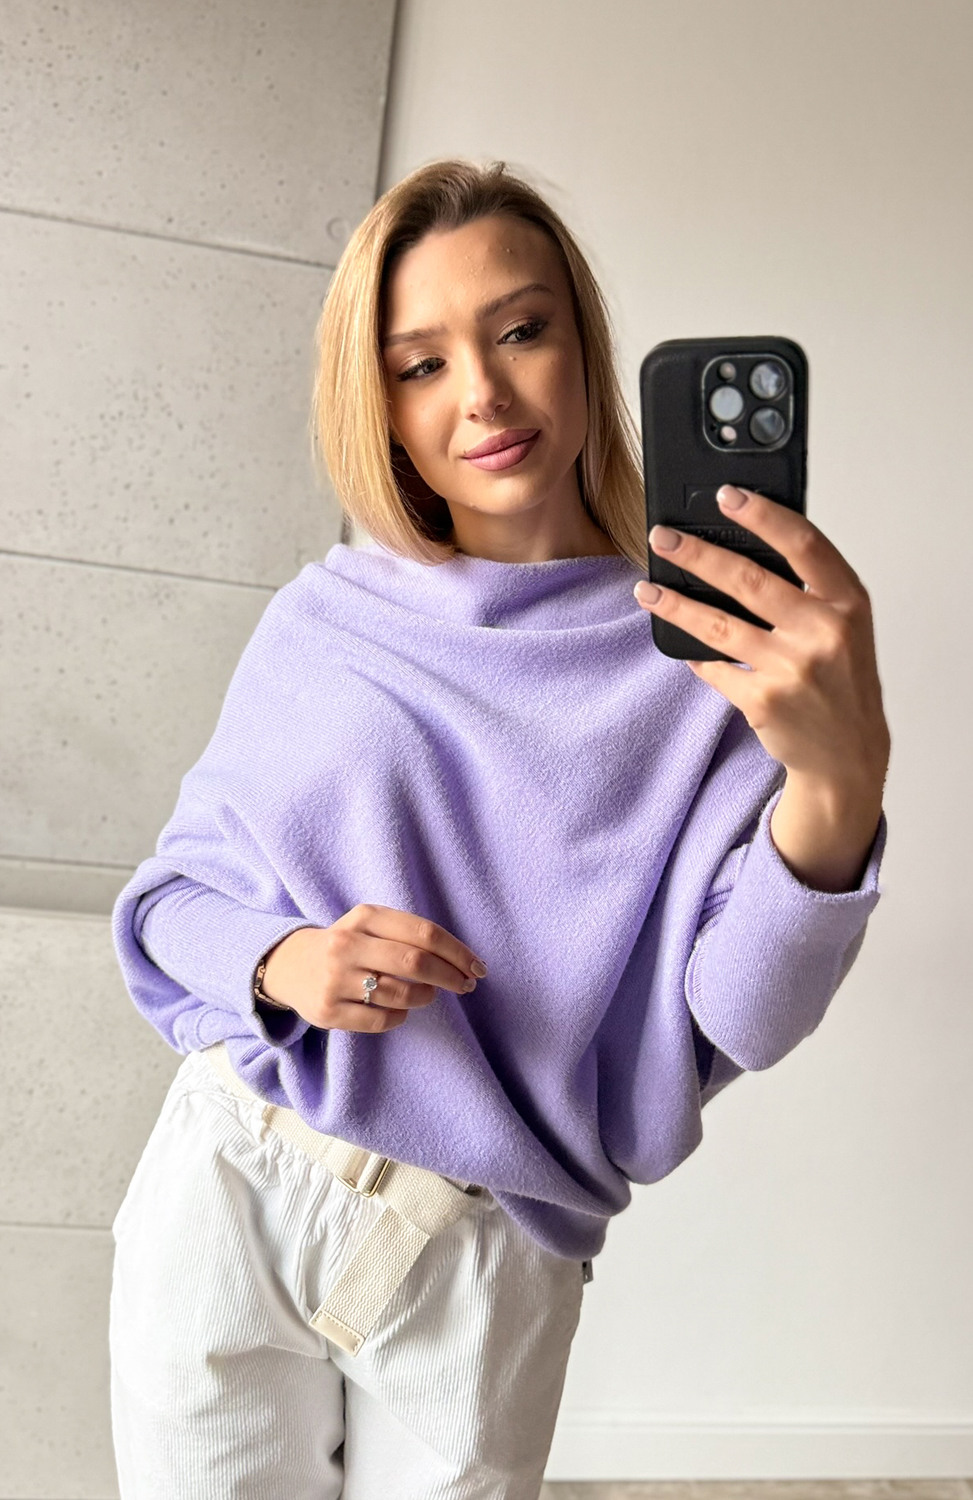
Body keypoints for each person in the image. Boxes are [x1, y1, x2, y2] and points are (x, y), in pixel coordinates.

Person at [107, 158, 890, 1499]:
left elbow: (738, 1017)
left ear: (585, 349)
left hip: (487, 1259)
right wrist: (288, 962)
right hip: (238, 1185)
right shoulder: (327, 619)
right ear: (380, 406)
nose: (480, 392)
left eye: (520, 330)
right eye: (420, 364)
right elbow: (170, 907)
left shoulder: (714, 662)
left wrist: (842, 780)